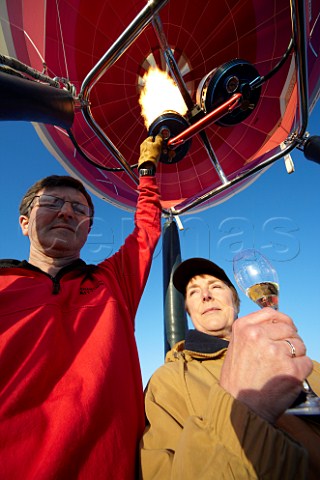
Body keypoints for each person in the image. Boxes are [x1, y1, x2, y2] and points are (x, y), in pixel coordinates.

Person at [0, 135, 163, 479]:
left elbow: (147, 229)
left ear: (87, 229)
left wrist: (147, 170)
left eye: (79, 209)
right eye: (52, 202)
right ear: (24, 223)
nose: (66, 211)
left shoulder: (115, 282)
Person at [140, 257, 320, 479]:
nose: (206, 295)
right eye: (194, 292)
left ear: (235, 301)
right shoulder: (167, 380)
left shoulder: (306, 363)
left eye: (215, 286)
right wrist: (239, 412)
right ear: (189, 311)